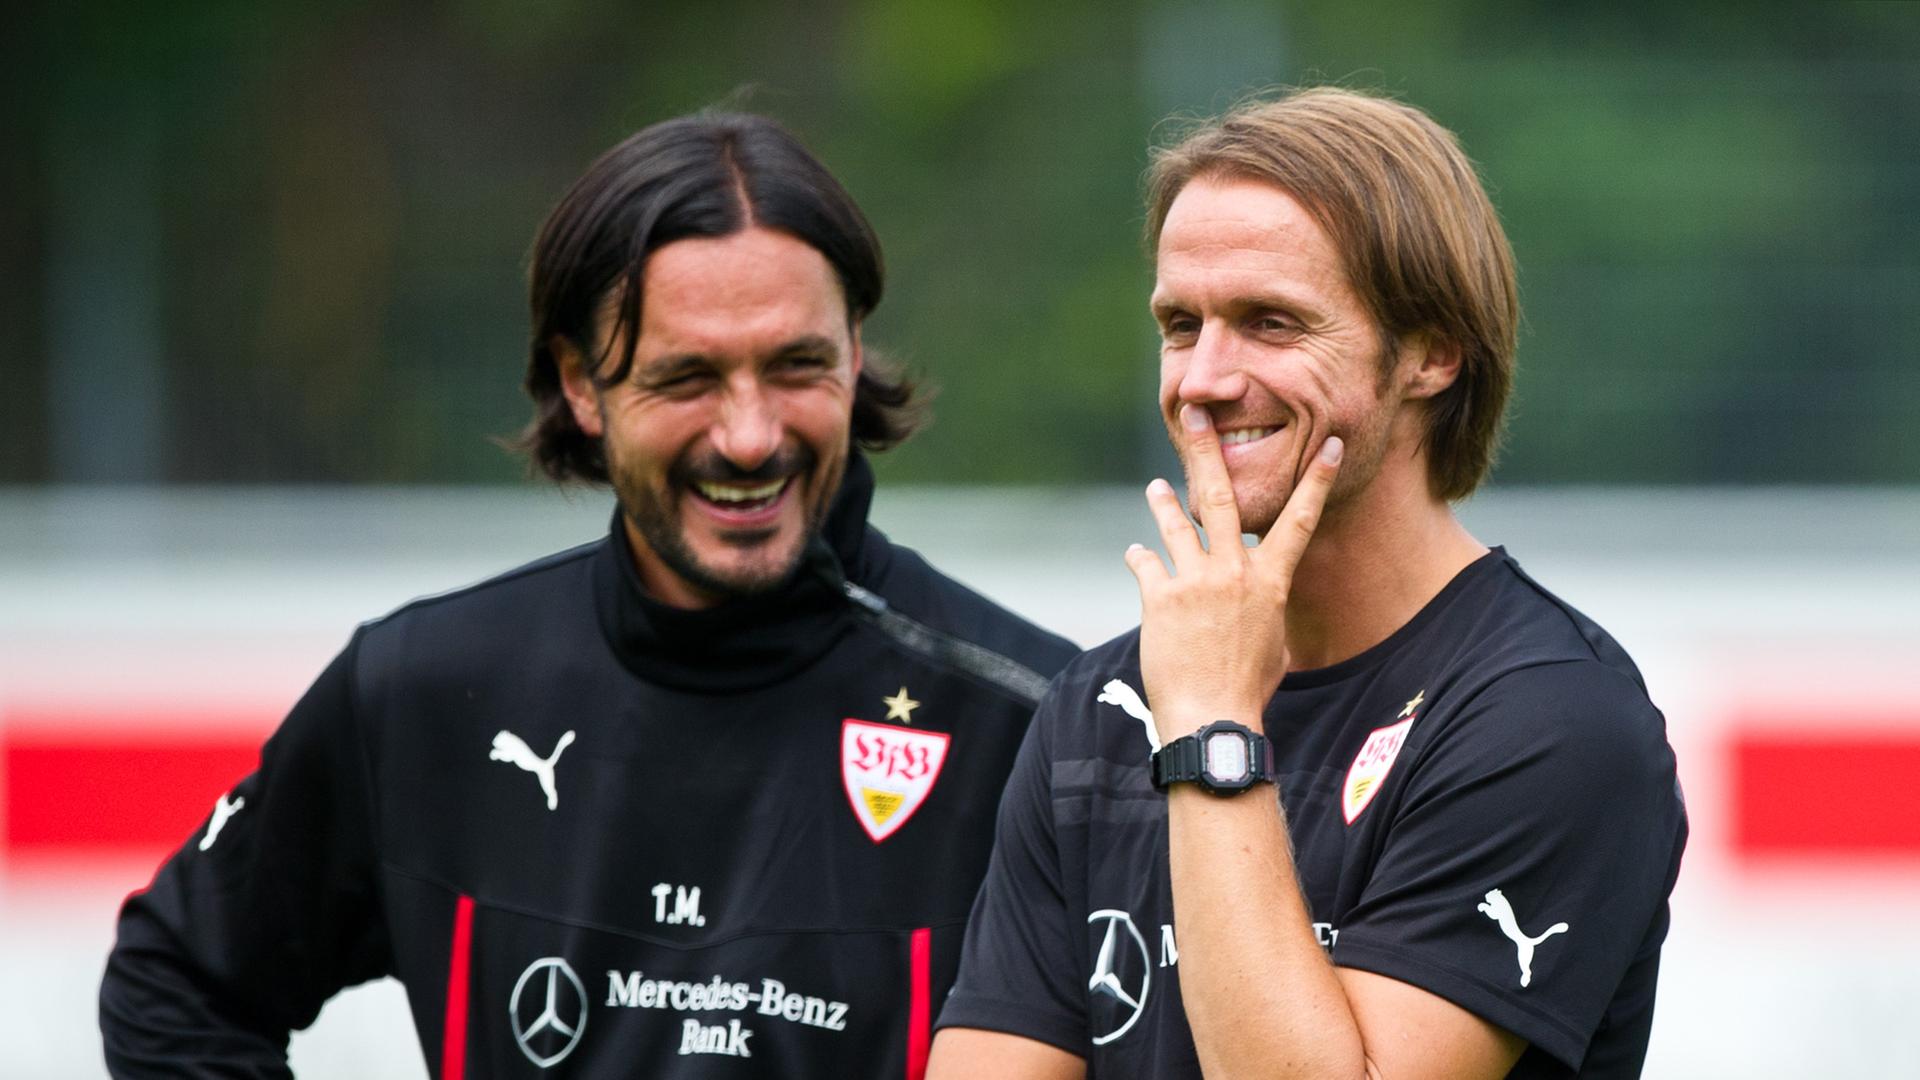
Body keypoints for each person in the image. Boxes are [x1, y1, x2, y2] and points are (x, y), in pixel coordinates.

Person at [100, 111, 1078, 1078]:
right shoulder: (424, 690)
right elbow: (174, 987)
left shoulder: (1041, 724)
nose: (749, 435)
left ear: (855, 352)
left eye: (795, 366)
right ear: (579, 383)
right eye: (687, 377)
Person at [929, 87, 1687, 1079]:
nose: (1202, 377)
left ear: (1432, 352)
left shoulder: (1549, 717)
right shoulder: (1104, 704)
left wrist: (1210, 732)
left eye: (1270, 322)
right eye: (1179, 323)